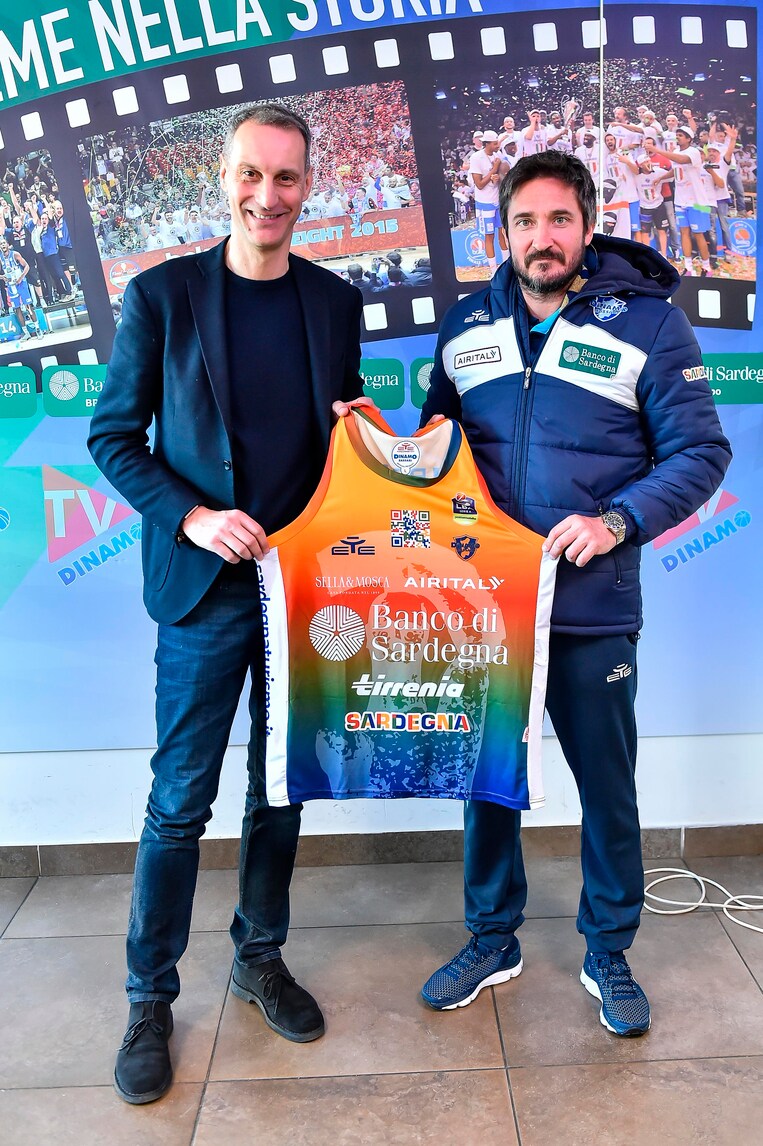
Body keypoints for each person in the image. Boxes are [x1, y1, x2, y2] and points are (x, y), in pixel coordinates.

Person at [88, 102, 365, 1106]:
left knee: (279, 791)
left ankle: (259, 957)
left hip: (302, 590)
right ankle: (148, 1000)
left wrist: (366, 437)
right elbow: (112, 437)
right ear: (223, 179)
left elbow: (341, 432)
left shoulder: (335, 301)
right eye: (251, 173)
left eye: (286, 177)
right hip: (202, 591)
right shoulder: (160, 295)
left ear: (308, 186)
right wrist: (195, 517)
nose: (267, 195)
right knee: (178, 804)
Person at [419, 151, 731, 1038]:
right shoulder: (464, 325)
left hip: (592, 607)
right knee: (487, 782)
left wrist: (616, 522)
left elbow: (701, 452)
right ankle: (492, 937)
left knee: (606, 786)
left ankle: (608, 949)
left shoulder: (650, 324)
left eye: (559, 219)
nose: (542, 238)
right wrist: (374, 448)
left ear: (587, 227)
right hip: (488, 608)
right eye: (524, 221)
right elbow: (439, 447)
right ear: (502, 232)